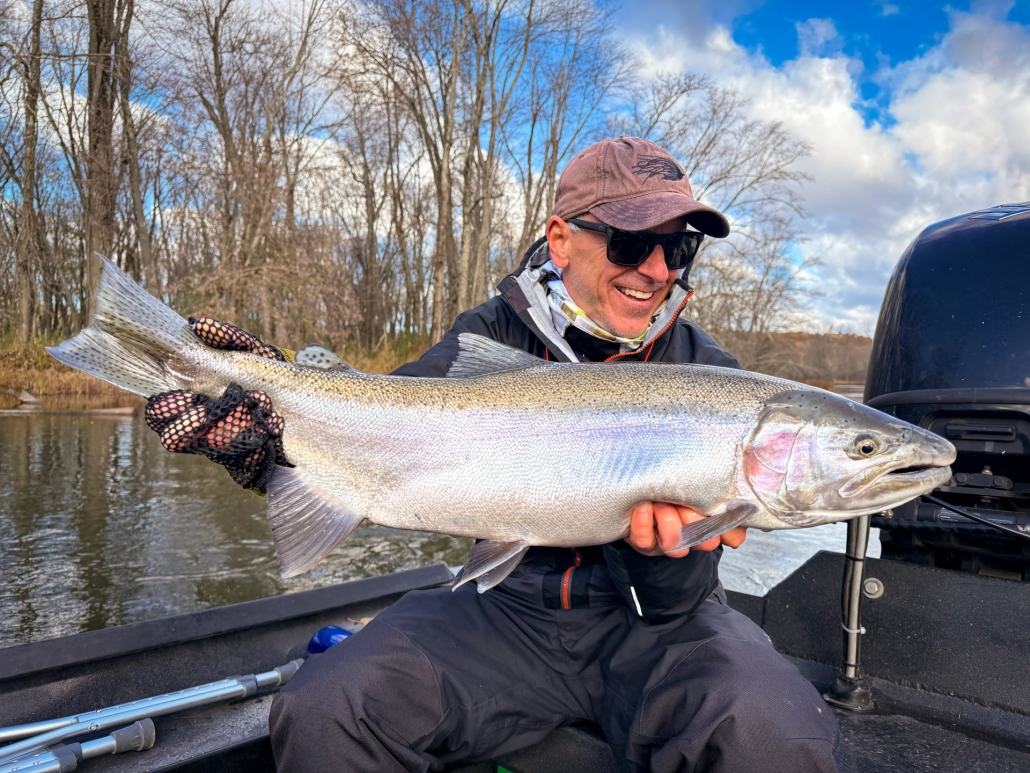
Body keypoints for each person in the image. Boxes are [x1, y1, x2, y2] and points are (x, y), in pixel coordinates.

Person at [147, 137, 838, 772]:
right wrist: (275, 445)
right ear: (562, 240)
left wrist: (662, 558)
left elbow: (681, 600)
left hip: (660, 626)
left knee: (778, 731)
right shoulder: (489, 332)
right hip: (504, 609)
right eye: (631, 243)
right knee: (326, 706)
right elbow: (387, 425)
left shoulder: (710, 374)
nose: (656, 270)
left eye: (677, 248)